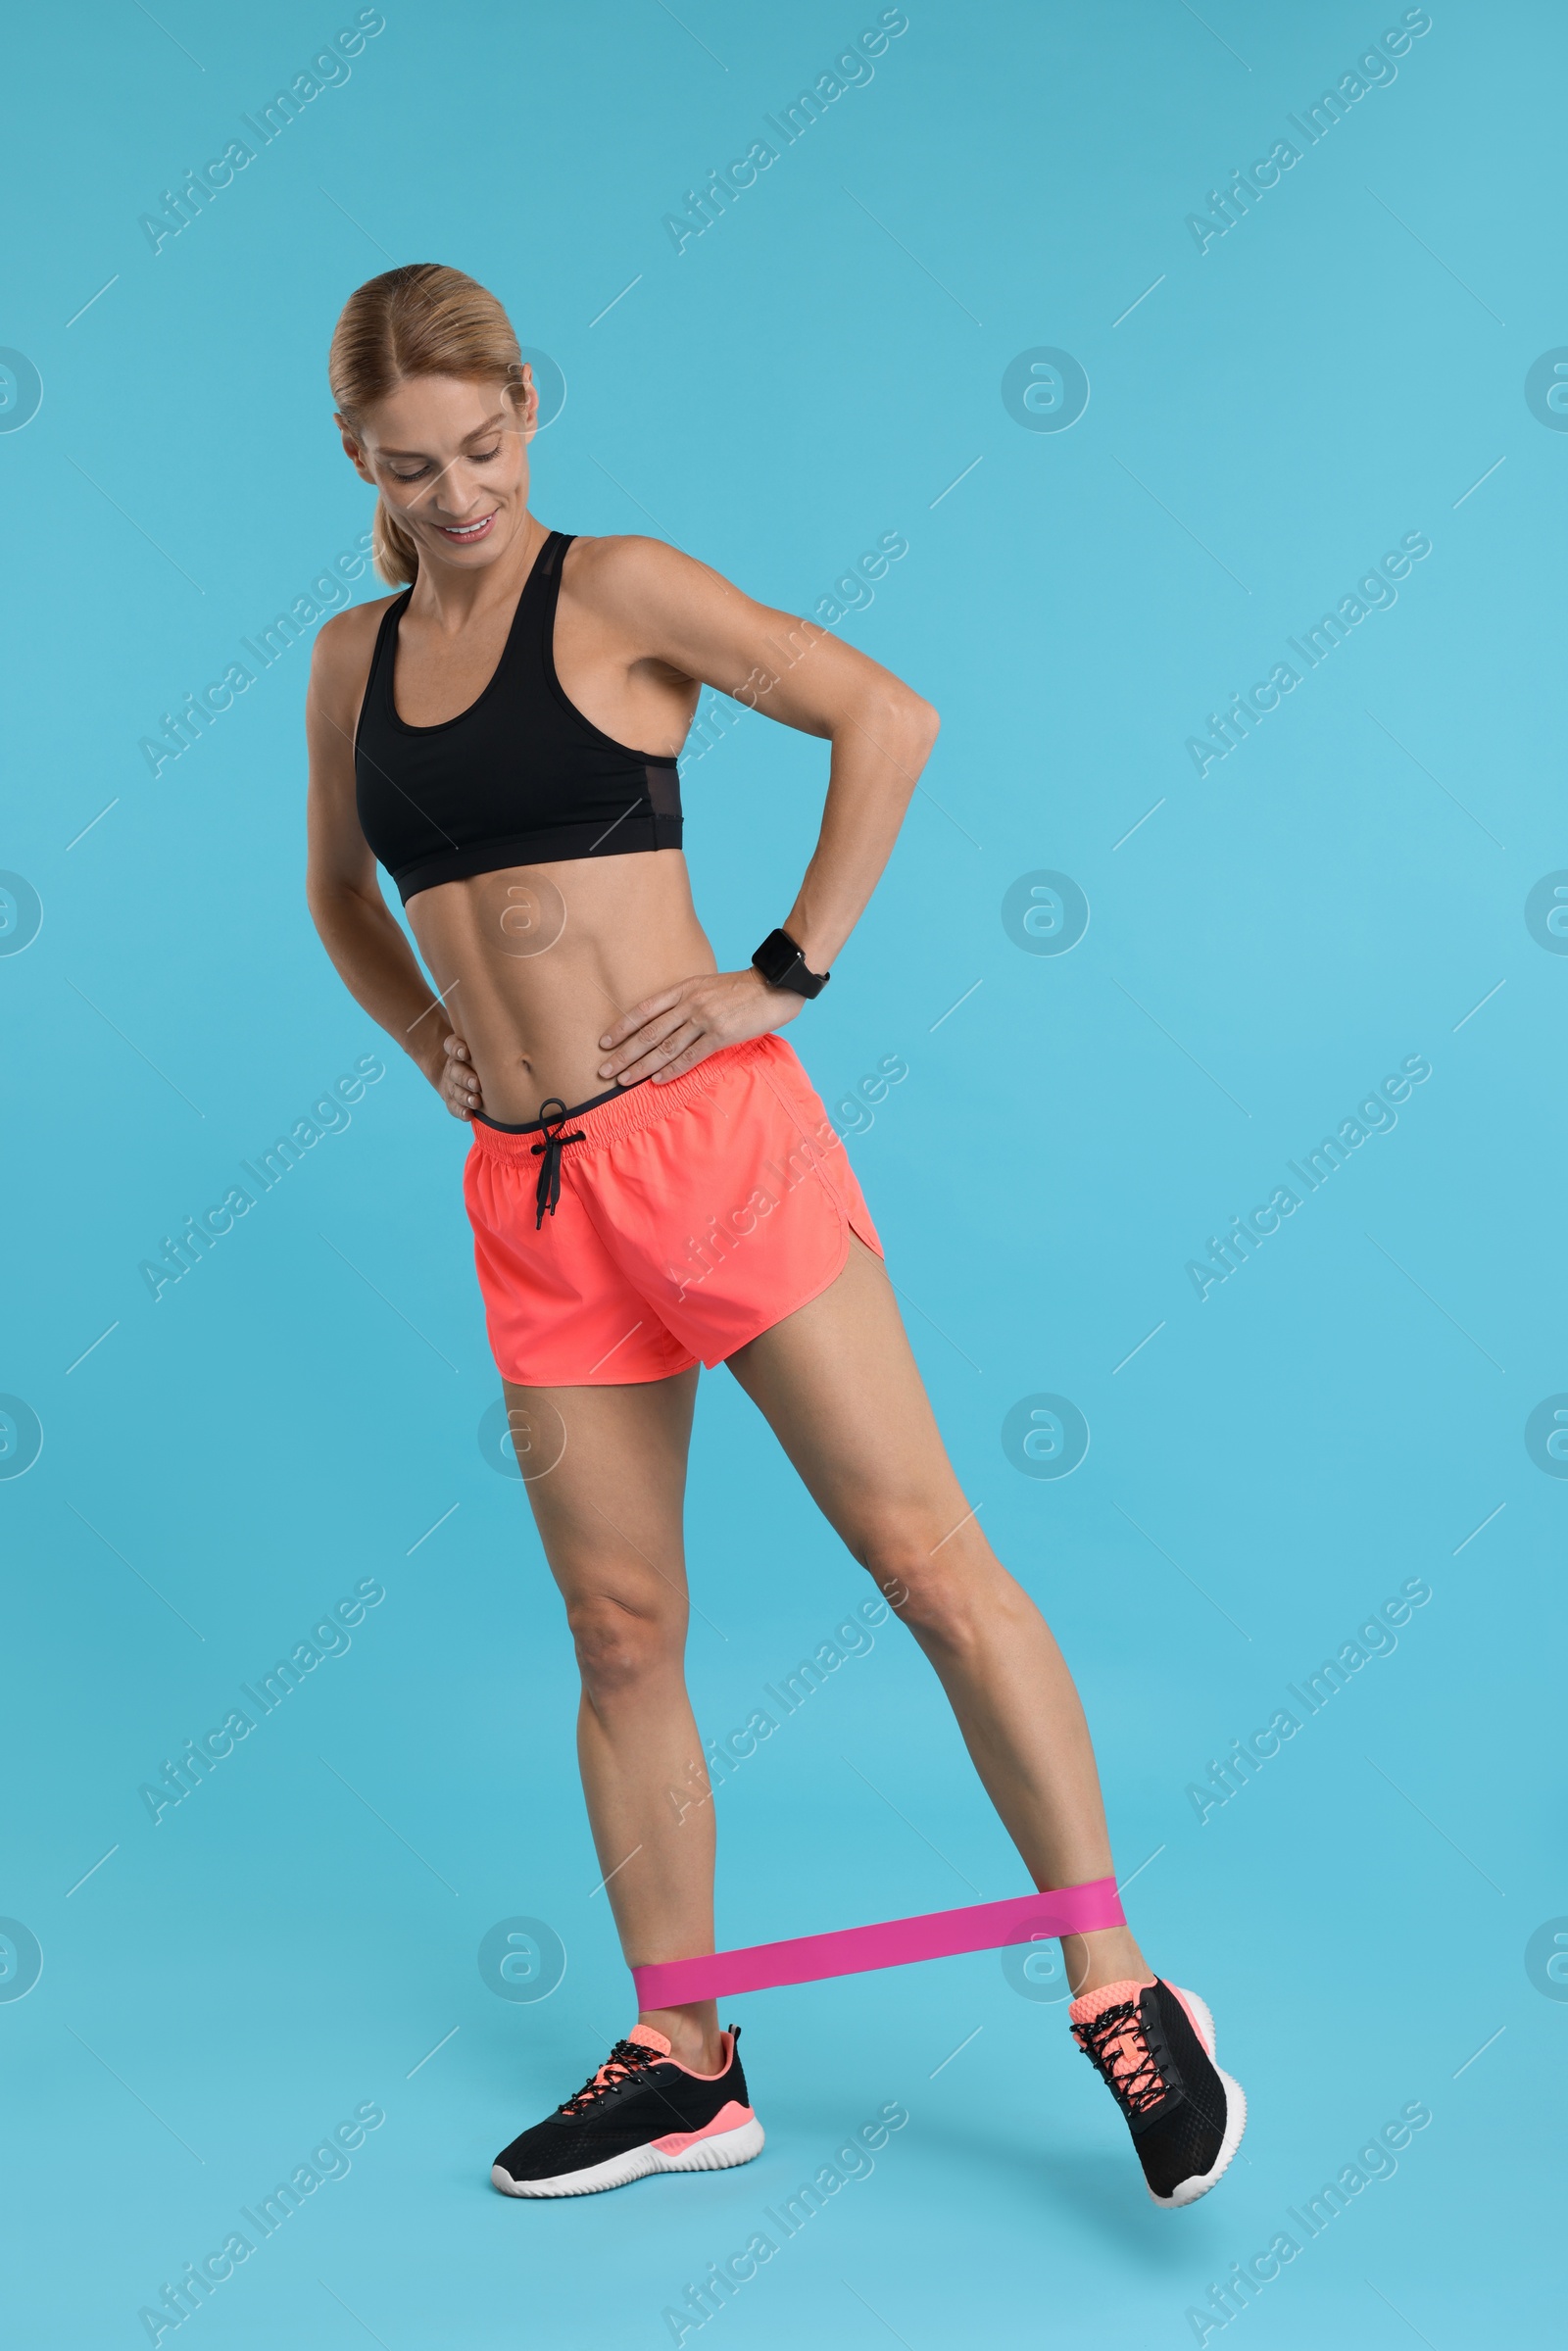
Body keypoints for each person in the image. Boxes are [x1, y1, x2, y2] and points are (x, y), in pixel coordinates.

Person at [306, 264, 1245, 2208]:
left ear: (524, 417)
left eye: (483, 449)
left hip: (708, 1148)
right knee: (619, 1629)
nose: (458, 494)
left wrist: (784, 971)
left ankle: (1117, 1984)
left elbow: (878, 716)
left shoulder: (619, 588)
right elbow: (338, 891)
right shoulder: (348, 657)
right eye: (414, 468)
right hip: (537, 1196)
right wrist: (427, 1044)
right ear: (357, 458)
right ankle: (684, 2056)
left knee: (923, 1563)